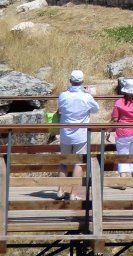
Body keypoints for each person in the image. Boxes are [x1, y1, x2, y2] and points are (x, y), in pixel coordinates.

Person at [56, 69, 100, 200]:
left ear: (70, 81)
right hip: (80, 134)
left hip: (65, 133)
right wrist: (87, 94)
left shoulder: (63, 95)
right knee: (79, 163)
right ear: (82, 82)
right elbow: (96, 109)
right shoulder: (86, 96)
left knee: (64, 162)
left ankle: (60, 190)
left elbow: (61, 109)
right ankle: (73, 193)